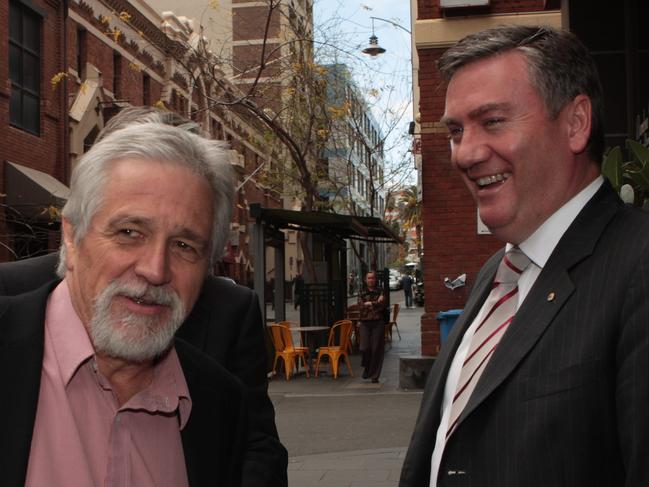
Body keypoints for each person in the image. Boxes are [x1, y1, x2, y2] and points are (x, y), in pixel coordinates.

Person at [400, 25, 648, 487]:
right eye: (456, 131)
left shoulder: (637, 265)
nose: (465, 154)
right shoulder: (496, 274)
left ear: (575, 123)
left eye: (492, 121)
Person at [0, 107, 288, 487]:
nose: (155, 269)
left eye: (185, 245)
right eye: (130, 232)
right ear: (71, 235)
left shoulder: (219, 404)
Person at [357, 270, 387, 383]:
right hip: (365, 322)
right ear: (365, 280)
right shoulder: (361, 291)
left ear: (375, 279)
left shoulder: (381, 291)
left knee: (376, 349)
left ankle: (375, 375)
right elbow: (360, 306)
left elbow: (382, 306)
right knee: (364, 347)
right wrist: (375, 303)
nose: (371, 280)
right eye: (369, 278)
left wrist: (370, 303)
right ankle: (367, 367)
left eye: (373, 278)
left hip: (377, 322)